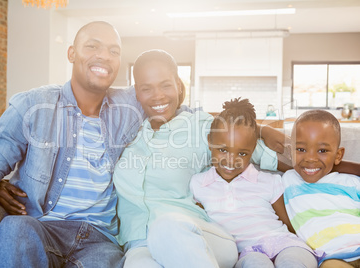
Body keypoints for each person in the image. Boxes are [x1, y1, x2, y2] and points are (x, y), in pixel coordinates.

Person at [0, 21, 145, 267]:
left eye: (114, 51)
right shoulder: (33, 106)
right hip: (40, 227)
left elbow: (171, 93)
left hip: (100, 241)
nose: (104, 56)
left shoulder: (131, 106)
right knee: (14, 229)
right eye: (93, 46)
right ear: (71, 53)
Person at [112, 50, 286, 268]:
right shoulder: (125, 133)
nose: (158, 96)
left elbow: (251, 147)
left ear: (178, 85)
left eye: (165, 85)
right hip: (140, 243)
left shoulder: (199, 125)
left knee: (167, 226)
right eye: (147, 88)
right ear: (136, 92)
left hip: (198, 235)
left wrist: (263, 129)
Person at [189, 98, 322, 268]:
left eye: (242, 154)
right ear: (210, 142)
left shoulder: (270, 181)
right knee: (255, 264)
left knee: (292, 262)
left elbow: (289, 223)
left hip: (284, 243)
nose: (231, 161)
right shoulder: (198, 184)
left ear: (253, 149)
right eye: (223, 150)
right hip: (246, 252)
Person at [282, 110, 360, 268]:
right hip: (333, 257)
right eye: (301, 149)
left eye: (322, 151)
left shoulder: (351, 181)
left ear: (338, 155)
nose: (310, 158)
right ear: (290, 152)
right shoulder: (287, 180)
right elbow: (248, 147)